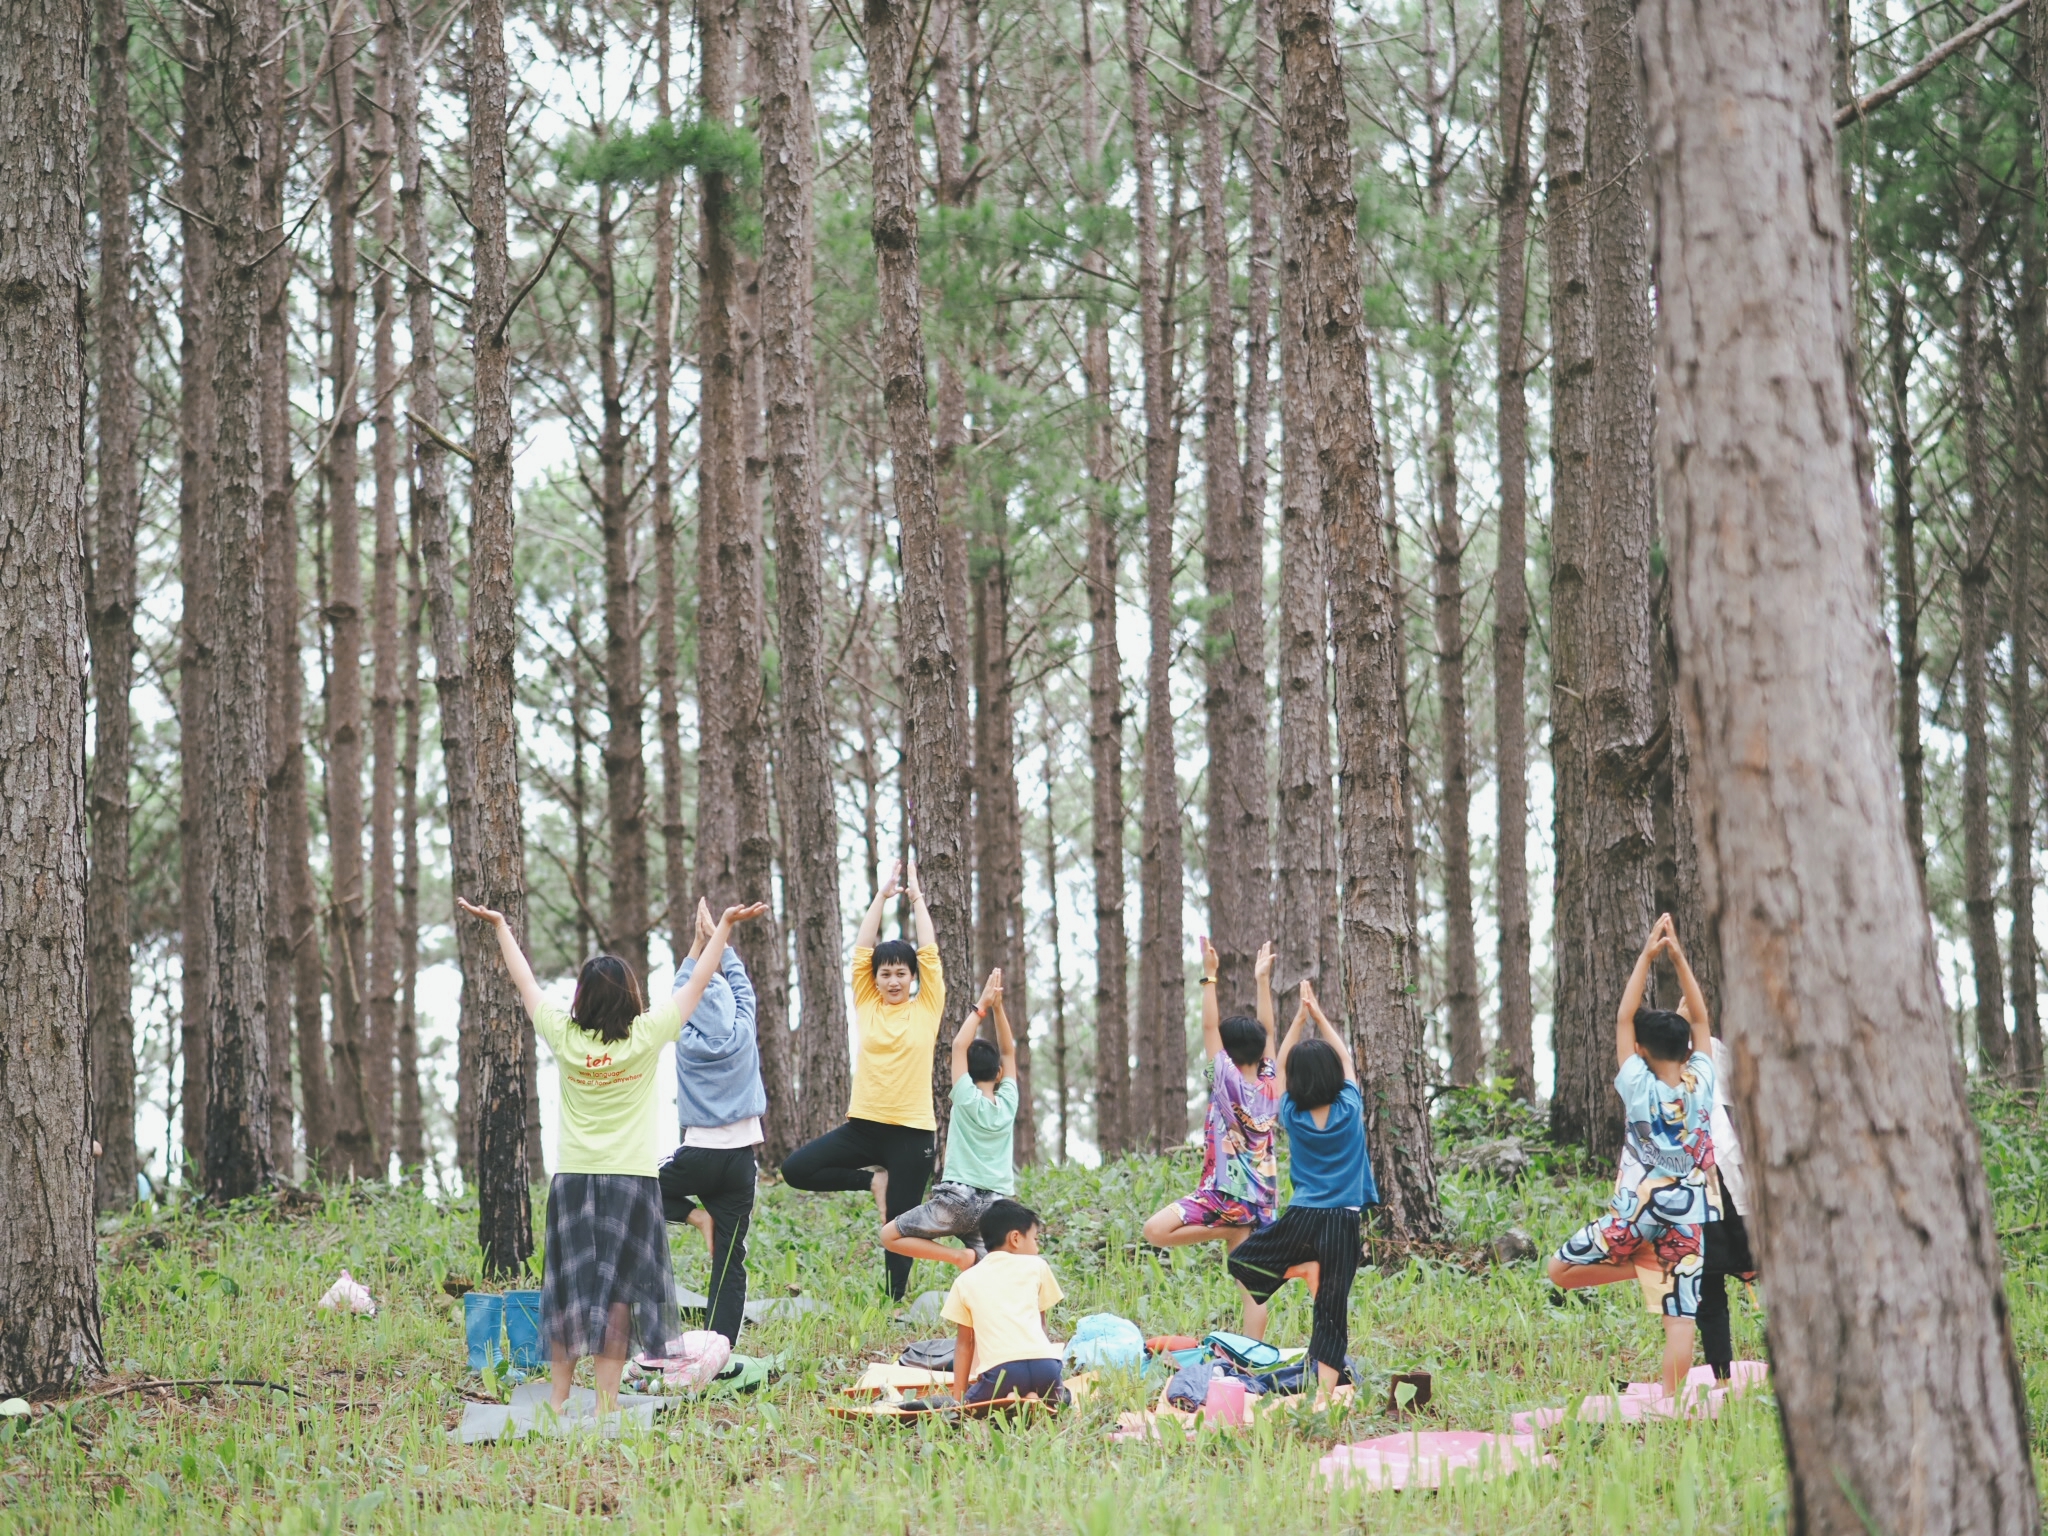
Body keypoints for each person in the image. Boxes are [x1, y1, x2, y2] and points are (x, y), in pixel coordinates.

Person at [456, 895, 766, 1416]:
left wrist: (501, 927)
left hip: (574, 1179)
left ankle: (557, 1398)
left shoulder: (565, 1035)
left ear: (582, 999)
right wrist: (724, 931)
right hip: (630, 1182)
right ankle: (604, 1404)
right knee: (619, 1294)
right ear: (631, 997)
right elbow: (696, 985)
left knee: (568, 1288)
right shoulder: (646, 1036)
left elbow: (525, 981)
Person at [1546, 913, 1719, 1400]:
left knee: (1559, 1271)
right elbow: (1702, 1019)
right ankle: (1670, 1404)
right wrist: (1680, 958)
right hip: (1686, 1223)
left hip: (1634, 1217)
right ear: (1688, 1049)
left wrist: (1647, 956)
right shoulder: (1701, 1082)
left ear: (1640, 1049)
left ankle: (1642, 1266)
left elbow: (1624, 1017)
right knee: (1679, 1321)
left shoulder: (1637, 1083)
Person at [780, 857, 944, 1298]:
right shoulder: (867, 1005)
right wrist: (881, 895)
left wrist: (917, 897)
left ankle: (893, 1305)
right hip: (866, 1127)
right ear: (875, 980)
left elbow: (929, 952)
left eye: (901, 974)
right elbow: (860, 950)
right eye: (885, 974)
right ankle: (873, 1179)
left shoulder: (927, 1009)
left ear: (913, 978)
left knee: (899, 1226)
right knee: (796, 1169)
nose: (893, 981)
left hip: (912, 1133)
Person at [1226, 979, 1376, 1403]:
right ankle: (1325, 1398)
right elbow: (1345, 1058)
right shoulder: (1350, 1108)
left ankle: (1304, 1268)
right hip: (1344, 1219)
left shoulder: (1290, 1112)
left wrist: (1295, 1020)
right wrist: (1318, 1015)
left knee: (1242, 1261)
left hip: (1304, 1216)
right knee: (1331, 1310)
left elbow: (1278, 1066)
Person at [1141, 937, 1282, 1337]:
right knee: (1252, 1290)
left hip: (1222, 1196)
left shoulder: (1226, 1080)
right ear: (1259, 1051)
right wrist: (1261, 982)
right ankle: (1251, 1357)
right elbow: (1269, 1031)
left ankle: (1227, 1228)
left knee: (1154, 1230)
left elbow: (1207, 1026)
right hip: (1261, 1205)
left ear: (1228, 1052)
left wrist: (1209, 977)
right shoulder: (1271, 1084)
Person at [657, 897, 765, 1346]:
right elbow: (742, 989)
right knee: (730, 1259)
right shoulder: (743, 1026)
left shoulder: (683, 1034)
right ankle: (720, 1347)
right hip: (741, 1159)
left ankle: (692, 1217)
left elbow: (682, 988)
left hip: (699, 1153)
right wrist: (723, 947)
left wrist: (698, 945)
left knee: (634, 1187)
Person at [881, 966, 1015, 1270]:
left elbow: (958, 1045)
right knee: (996, 1274)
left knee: (889, 1235)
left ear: (965, 1073)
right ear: (999, 1074)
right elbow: (1009, 1051)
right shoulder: (1008, 1103)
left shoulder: (965, 1095)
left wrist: (982, 1007)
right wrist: (1000, 1008)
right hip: (995, 1207)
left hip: (955, 1201)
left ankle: (957, 1258)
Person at [943, 1199, 1066, 1405]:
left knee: (973, 1407)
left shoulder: (966, 1280)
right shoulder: (1037, 1266)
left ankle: (1011, 1398)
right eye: (1035, 1240)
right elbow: (1041, 1326)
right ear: (1015, 1238)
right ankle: (1035, 1396)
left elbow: (965, 1344)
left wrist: (959, 1400)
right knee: (1060, 1398)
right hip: (1046, 1367)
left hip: (1002, 1373)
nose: (1036, 1249)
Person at [1699, 1023, 1757, 1381]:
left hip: (1730, 1173)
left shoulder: (1711, 1051)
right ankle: (1720, 1375)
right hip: (1698, 1186)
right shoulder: (1651, 1073)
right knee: (1709, 1283)